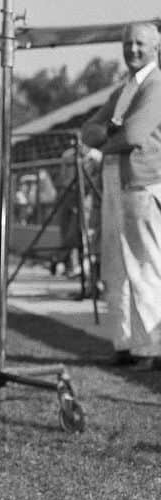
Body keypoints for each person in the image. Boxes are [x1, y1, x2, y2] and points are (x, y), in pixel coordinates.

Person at [80, 21, 161, 369]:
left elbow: (133, 134)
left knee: (143, 265)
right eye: (128, 43)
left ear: (155, 47)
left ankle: (151, 347)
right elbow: (89, 129)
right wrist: (104, 136)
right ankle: (125, 342)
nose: (133, 50)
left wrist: (104, 143)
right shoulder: (125, 87)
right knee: (115, 266)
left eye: (140, 44)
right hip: (116, 179)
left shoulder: (155, 84)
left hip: (141, 180)